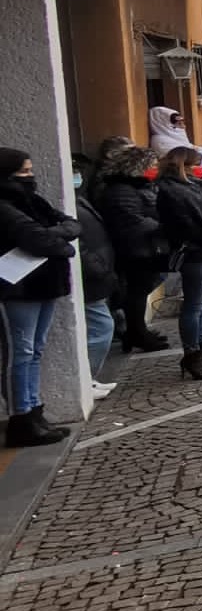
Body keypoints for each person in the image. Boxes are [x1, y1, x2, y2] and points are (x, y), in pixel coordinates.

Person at [0, 149, 80, 445]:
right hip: (18, 287)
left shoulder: (32, 200)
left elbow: (72, 224)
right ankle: (21, 417)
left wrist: (55, 236)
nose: (29, 176)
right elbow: (35, 238)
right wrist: (62, 242)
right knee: (20, 352)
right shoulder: (5, 204)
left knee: (35, 349)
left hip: (45, 282)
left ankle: (34, 409)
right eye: (24, 171)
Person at [155, 146, 202, 381]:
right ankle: (192, 354)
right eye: (197, 164)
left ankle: (201, 351)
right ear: (184, 166)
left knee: (199, 304)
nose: (201, 168)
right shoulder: (174, 192)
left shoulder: (191, 187)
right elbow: (193, 225)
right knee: (194, 305)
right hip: (194, 251)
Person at [96, 142, 171, 352]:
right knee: (136, 292)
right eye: (152, 165)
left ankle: (138, 330)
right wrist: (164, 227)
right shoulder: (121, 190)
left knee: (141, 290)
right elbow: (132, 221)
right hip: (135, 250)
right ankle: (137, 332)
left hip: (144, 247)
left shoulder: (136, 187)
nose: (155, 169)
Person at [70, 155, 118, 393]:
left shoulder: (80, 199)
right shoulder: (69, 204)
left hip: (97, 270)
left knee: (99, 325)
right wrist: (99, 267)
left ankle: (88, 378)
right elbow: (80, 244)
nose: (78, 176)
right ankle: (84, 379)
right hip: (90, 274)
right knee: (102, 326)